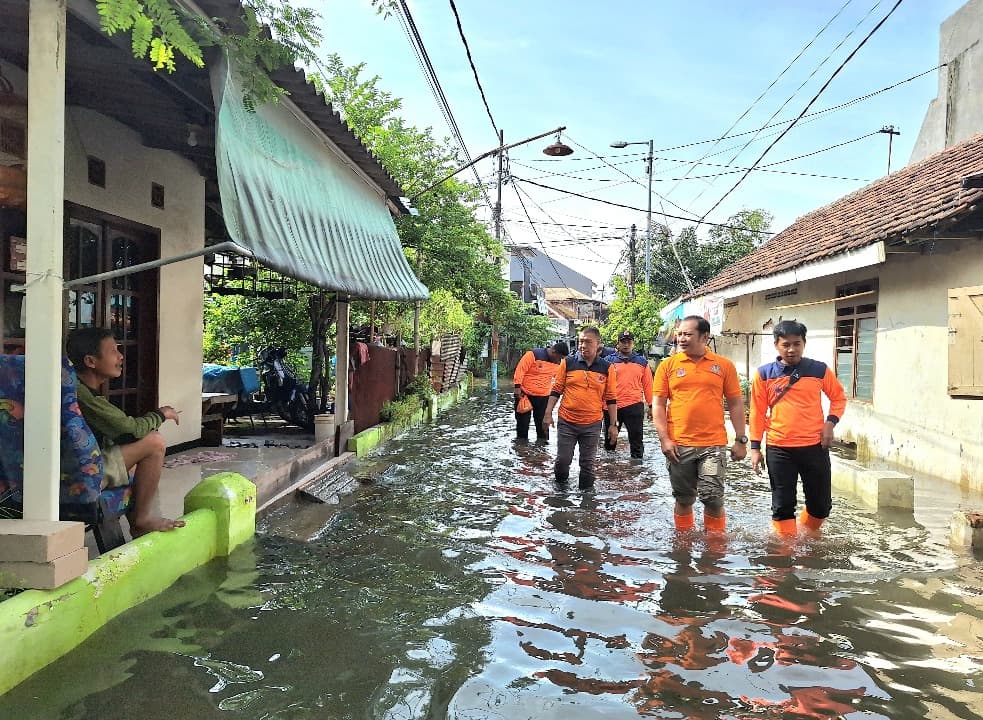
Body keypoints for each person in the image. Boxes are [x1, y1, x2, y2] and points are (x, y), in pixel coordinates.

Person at [66, 327, 186, 537]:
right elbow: (131, 430)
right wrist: (161, 414)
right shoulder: (84, 396)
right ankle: (142, 520)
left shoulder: (73, 386)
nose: (121, 356)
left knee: (138, 469)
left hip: (67, 468)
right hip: (78, 475)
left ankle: (139, 525)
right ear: (90, 361)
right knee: (154, 442)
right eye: (113, 351)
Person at [749, 320, 846, 535]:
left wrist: (830, 423)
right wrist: (755, 448)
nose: (792, 349)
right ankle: (785, 552)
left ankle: (806, 533)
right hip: (779, 448)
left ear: (804, 343)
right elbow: (757, 412)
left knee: (821, 507)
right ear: (776, 345)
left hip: (814, 446)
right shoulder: (764, 374)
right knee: (783, 506)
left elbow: (838, 398)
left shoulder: (818, 370)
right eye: (786, 345)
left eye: (797, 343)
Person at [653, 316, 746, 532]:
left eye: (687, 334)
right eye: (680, 334)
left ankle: (714, 549)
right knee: (684, 499)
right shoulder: (667, 366)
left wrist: (741, 439)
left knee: (712, 497)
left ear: (705, 337)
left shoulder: (723, 366)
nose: (681, 339)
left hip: (713, 444)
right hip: (678, 444)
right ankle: (683, 544)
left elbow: (735, 404)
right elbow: (657, 405)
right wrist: (664, 439)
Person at [542, 327, 618, 489]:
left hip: (592, 424)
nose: (583, 345)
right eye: (581, 341)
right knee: (563, 461)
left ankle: (587, 507)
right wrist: (548, 414)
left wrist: (613, 425)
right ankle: (560, 497)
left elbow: (611, 398)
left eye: (588, 342)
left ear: (598, 344)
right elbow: (556, 389)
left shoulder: (607, 368)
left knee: (588, 465)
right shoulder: (568, 363)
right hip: (567, 422)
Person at [603, 330, 654, 458]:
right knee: (610, 442)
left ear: (633, 343)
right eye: (623, 342)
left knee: (636, 443)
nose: (626, 345)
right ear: (618, 344)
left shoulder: (642, 362)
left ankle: (637, 472)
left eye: (629, 342)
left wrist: (651, 406)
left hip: (634, 406)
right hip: (612, 406)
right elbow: (600, 384)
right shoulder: (607, 361)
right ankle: (609, 471)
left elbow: (648, 385)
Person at [512, 341, 569, 441]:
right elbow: (520, 370)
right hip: (524, 395)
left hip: (543, 397)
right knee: (522, 426)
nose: (560, 360)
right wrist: (517, 387)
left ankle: (542, 452)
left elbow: (561, 379)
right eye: (559, 357)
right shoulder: (533, 354)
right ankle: (521, 450)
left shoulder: (560, 363)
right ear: (553, 352)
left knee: (543, 426)